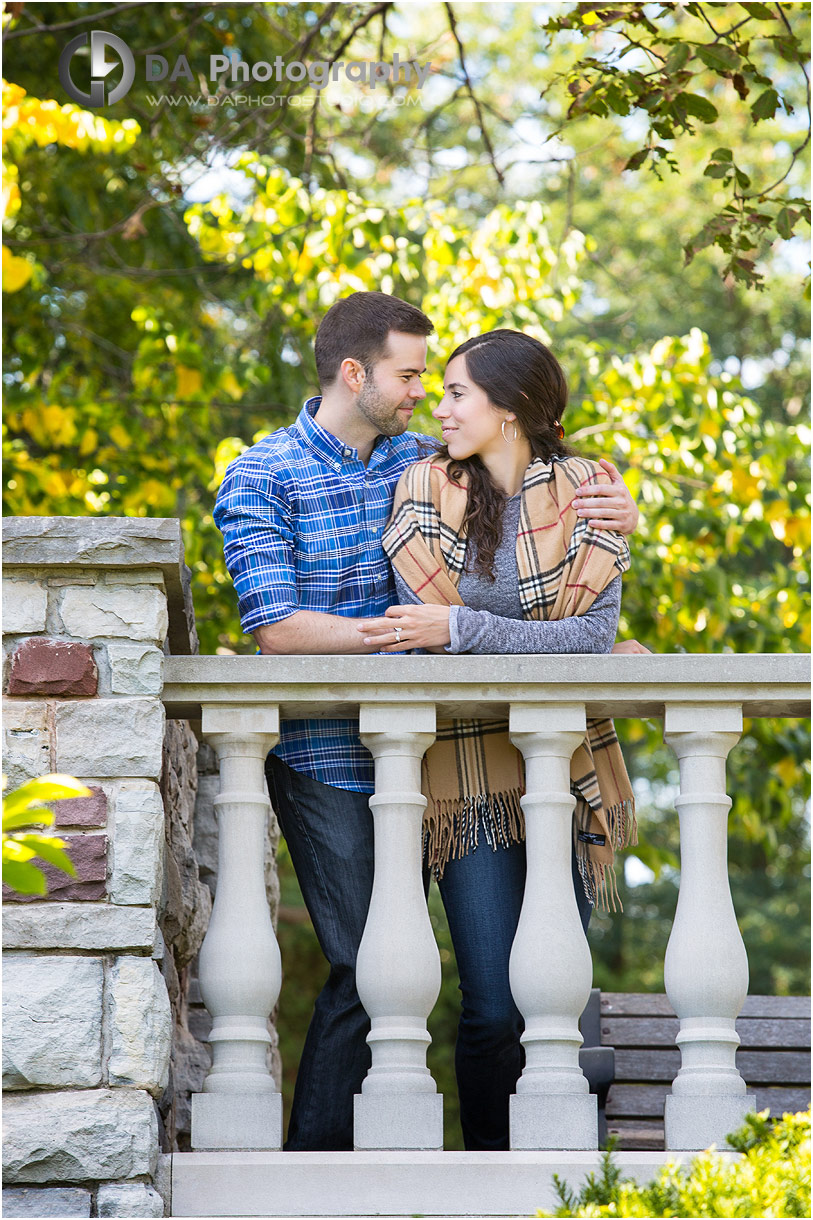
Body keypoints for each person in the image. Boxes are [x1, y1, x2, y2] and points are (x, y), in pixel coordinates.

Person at [213, 292, 640, 1152]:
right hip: (334, 753)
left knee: (520, 986)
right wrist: (418, 638)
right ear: (353, 372)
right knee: (365, 968)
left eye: (441, 385)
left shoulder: (431, 459)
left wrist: (622, 517)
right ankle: (322, 1177)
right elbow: (277, 628)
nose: (426, 397)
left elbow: (553, 530)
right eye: (413, 378)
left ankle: (517, 1171)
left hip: (473, 753)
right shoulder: (268, 475)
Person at [357, 328, 639, 1150]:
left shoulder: (588, 485)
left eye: (456, 393)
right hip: (466, 771)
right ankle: (486, 1174)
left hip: (566, 769)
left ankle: (552, 1174)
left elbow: (587, 640)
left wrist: (463, 627)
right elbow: (421, 623)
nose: (438, 408)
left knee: (552, 1001)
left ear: (511, 408)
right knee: (488, 1001)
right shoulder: (423, 486)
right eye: (437, 391)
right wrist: (478, 630)